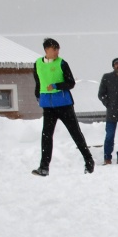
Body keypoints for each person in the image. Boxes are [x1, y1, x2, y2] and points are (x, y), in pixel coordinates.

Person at [31, 38, 95, 176]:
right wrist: (38, 96)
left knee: (75, 133)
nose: (57, 52)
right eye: (54, 49)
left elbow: (71, 83)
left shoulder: (62, 63)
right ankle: (44, 167)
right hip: (48, 106)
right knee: (46, 136)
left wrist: (56, 86)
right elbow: (38, 82)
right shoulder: (37, 64)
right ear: (46, 49)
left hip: (64, 104)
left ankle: (89, 160)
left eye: (58, 49)